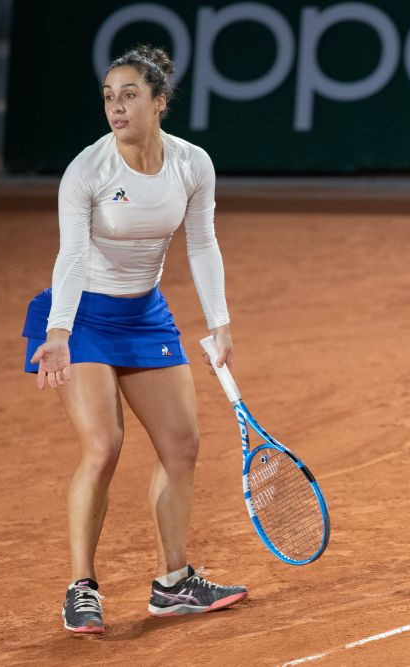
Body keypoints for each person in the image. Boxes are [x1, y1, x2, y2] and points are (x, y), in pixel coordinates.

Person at [23, 45, 248, 634]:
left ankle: (174, 583)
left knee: (182, 446)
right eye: (107, 96)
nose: (115, 107)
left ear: (159, 103)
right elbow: (71, 256)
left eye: (128, 95)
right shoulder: (87, 171)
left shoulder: (192, 164)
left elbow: (202, 242)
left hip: (145, 314)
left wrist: (218, 321)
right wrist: (59, 332)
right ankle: (82, 587)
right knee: (104, 445)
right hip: (83, 316)